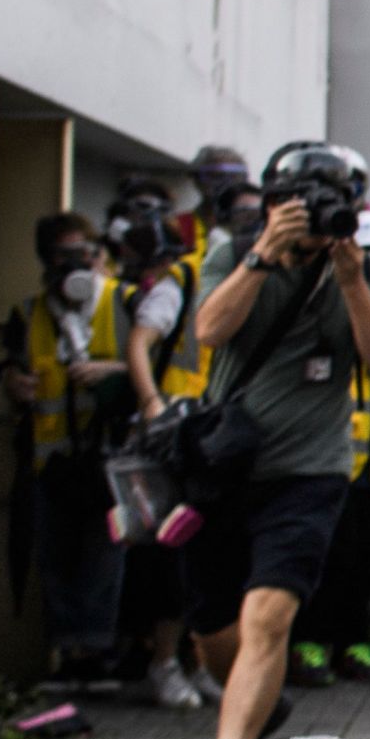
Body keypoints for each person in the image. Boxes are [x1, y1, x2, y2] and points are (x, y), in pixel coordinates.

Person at [184, 143, 370, 739]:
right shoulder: (235, 254)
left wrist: (350, 282)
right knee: (213, 632)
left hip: (310, 473)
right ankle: (258, 700)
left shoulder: (361, 270)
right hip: (225, 470)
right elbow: (209, 331)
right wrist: (260, 258)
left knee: (269, 618)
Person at [1, 212, 130, 686]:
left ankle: (98, 654)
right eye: (63, 256)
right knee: (54, 558)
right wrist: (12, 382)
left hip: (108, 455)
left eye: (83, 253)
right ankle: (65, 653)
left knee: (104, 559)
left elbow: (151, 362)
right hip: (51, 457)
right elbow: (10, 366)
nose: (74, 266)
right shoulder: (30, 312)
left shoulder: (121, 301)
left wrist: (110, 372)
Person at [287, 209, 370, 685]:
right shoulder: (326, 306)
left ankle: (354, 641)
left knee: (362, 559)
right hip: (329, 457)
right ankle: (309, 643)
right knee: (322, 556)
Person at [106, 190, 205, 710]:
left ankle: (195, 662)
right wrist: (151, 403)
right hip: (168, 441)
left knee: (202, 558)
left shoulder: (210, 281)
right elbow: (139, 344)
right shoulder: (175, 288)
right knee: (169, 558)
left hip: (205, 435)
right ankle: (163, 662)